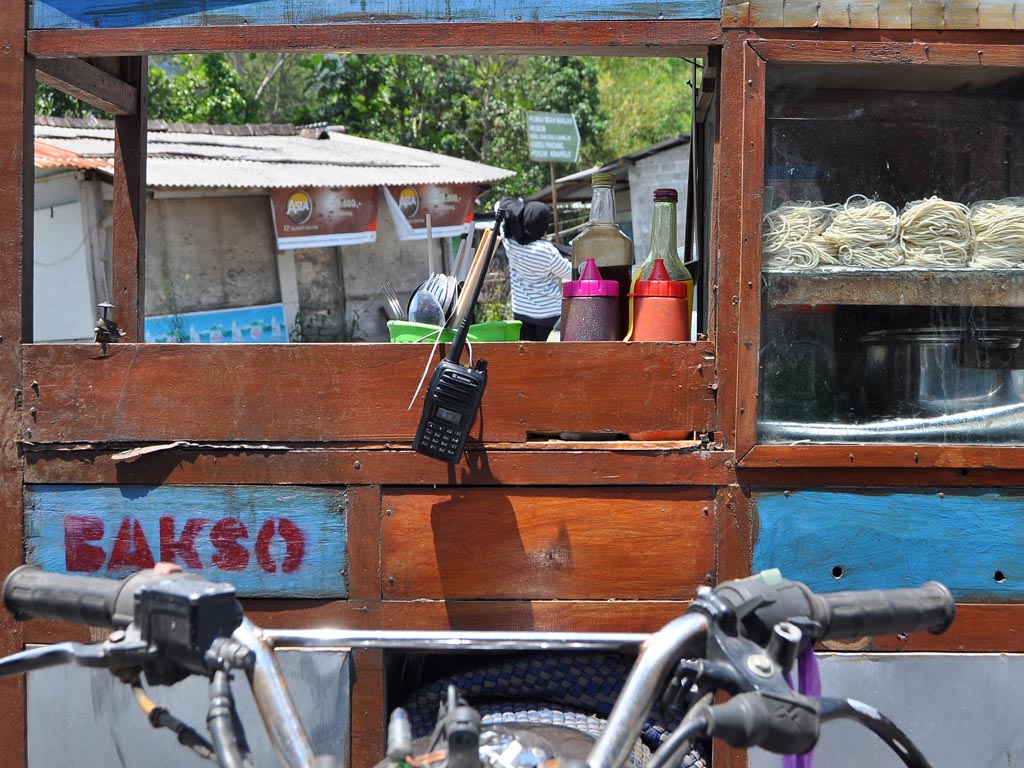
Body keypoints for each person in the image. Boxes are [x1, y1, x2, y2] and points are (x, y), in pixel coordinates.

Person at [500, 200, 573, 341]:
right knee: (547, 357)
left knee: (528, 357)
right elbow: (569, 272)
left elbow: (500, 206)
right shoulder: (546, 250)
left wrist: (516, 213)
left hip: (521, 312)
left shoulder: (510, 243)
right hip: (548, 315)